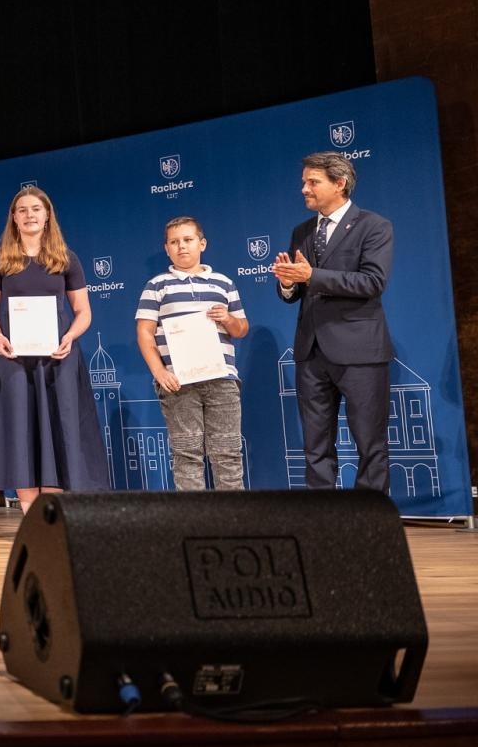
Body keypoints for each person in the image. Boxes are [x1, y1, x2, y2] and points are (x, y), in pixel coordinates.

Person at [0, 187, 110, 512]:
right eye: (22, 210)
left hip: (58, 359)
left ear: (47, 214)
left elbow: (84, 312)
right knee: (22, 433)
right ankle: (29, 518)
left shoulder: (65, 258)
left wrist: (70, 338)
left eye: (36, 209)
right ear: (14, 217)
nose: (29, 215)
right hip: (13, 359)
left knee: (56, 430)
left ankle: (50, 517)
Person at [273, 153, 394, 493]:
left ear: (339, 183)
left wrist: (312, 275)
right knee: (315, 446)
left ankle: (369, 521)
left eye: (313, 182)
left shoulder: (374, 226)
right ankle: (322, 520)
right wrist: (287, 283)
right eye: (304, 182)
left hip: (359, 352)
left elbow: (372, 282)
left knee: (370, 443)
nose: (304, 189)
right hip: (311, 353)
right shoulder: (302, 231)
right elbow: (296, 293)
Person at [135, 217, 250, 491]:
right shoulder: (157, 285)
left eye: (187, 240)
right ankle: (194, 525)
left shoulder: (223, 283)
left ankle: (235, 522)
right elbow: (144, 333)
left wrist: (227, 319)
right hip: (179, 384)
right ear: (166, 249)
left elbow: (242, 328)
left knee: (228, 454)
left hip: (221, 380)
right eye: (174, 242)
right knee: (187, 456)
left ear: (202, 243)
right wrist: (159, 371)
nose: (182, 247)